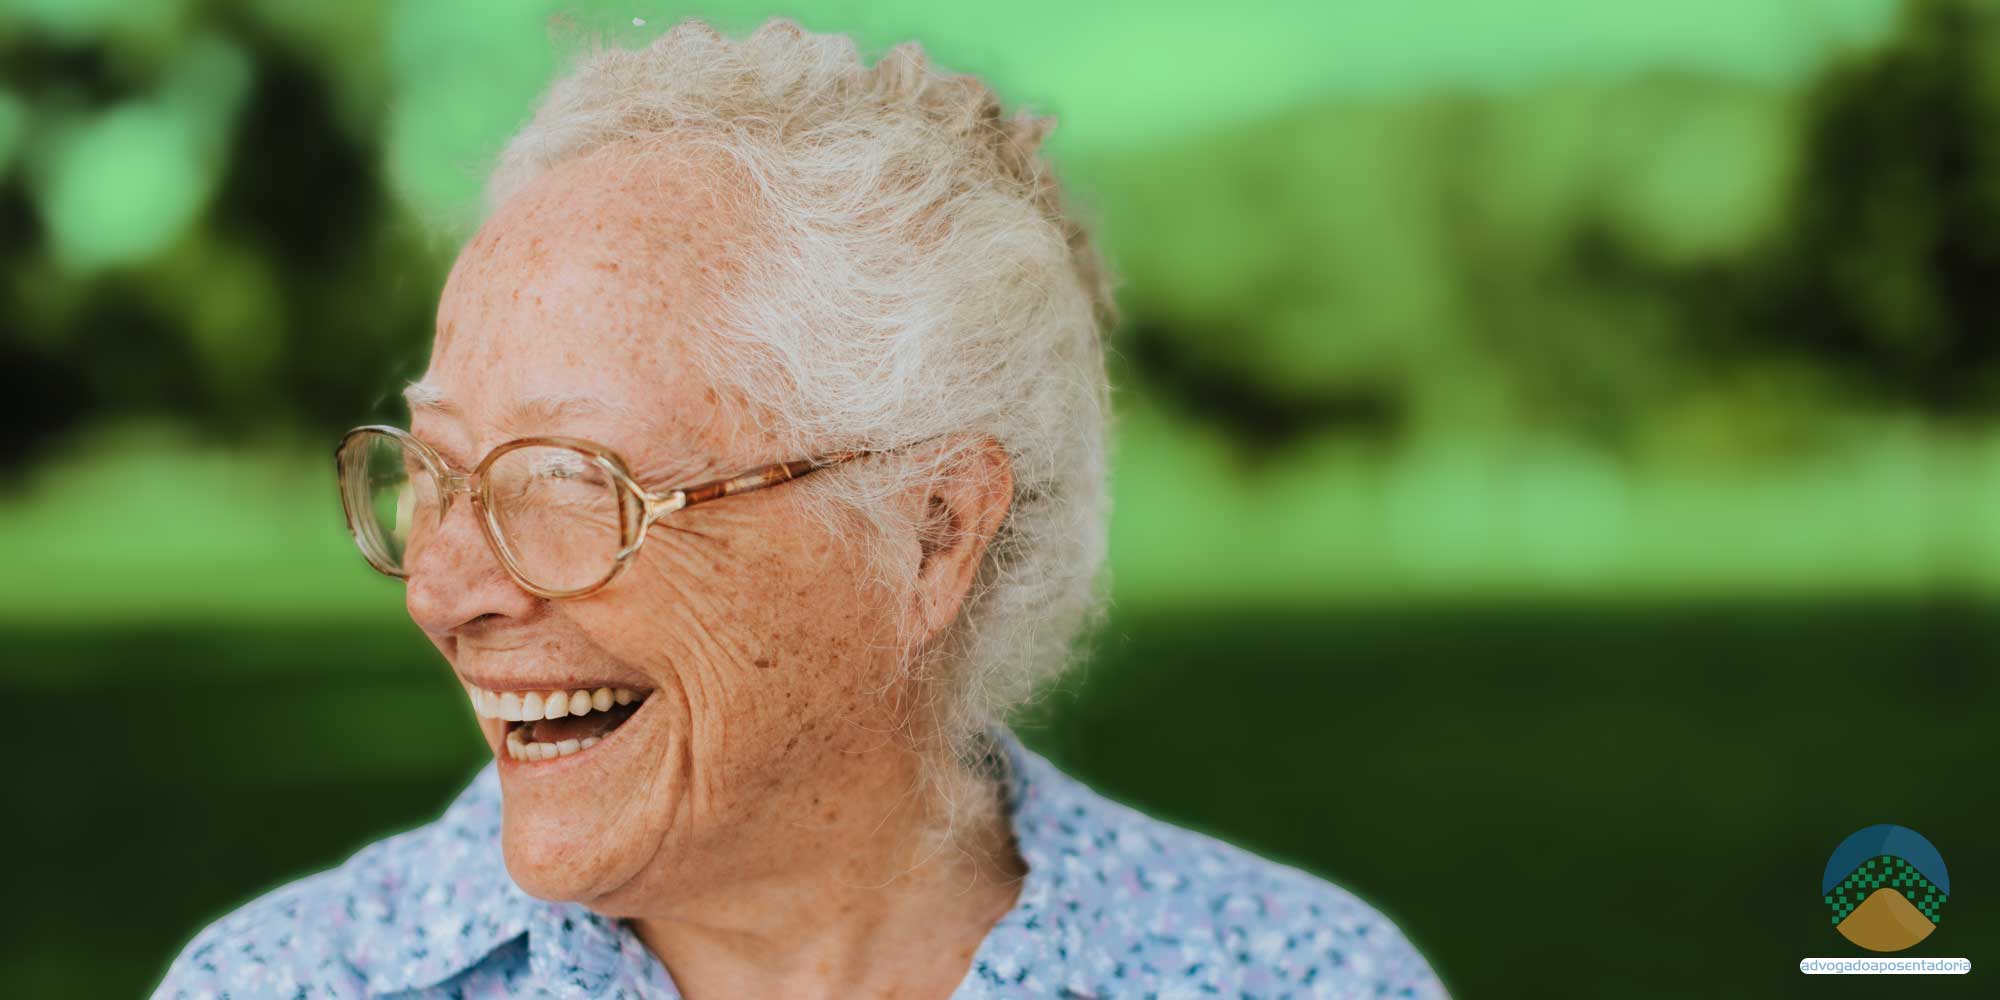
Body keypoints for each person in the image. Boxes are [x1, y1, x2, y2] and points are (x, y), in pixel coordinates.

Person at [154, 17, 1447, 999]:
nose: (443, 589)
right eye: (434, 470)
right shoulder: (281, 982)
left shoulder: (1303, 976)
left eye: (569, 485)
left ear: (933, 533)